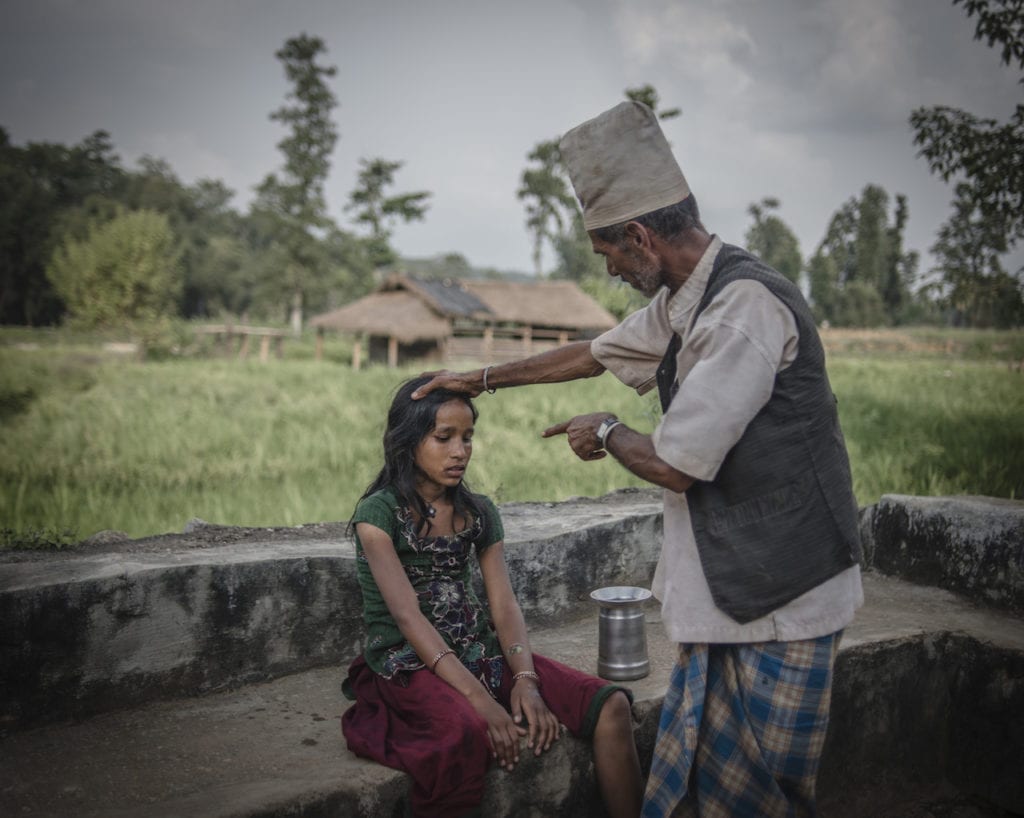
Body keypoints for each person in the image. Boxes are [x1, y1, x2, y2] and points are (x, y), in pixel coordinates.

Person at [413, 101, 864, 817]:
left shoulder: (741, 308)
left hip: (787, 598)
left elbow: (676, 464)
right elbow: (595, 353)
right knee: (713, 786)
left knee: (766, 795)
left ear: (640, 236)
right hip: (734, 588)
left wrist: (609, 431)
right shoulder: (687, 297)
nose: (615, 270)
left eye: (610, 255)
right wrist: (485, 377)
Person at [340, 375, 643, 818]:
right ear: (407, 441)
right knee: (462, 736)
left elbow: (503, 605)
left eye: (468, 438)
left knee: (611, 705)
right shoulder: (378, 515)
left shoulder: (478, 512)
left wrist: (526, 681)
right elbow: (408, 618)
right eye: (444, 438)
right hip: (410, 662)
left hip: (481, 654)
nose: (460, 451)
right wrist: (481, 701)